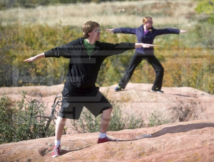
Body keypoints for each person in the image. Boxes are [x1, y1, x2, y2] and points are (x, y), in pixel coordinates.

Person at [24, 21, 156, 157]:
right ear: (89, 32)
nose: (100, 32)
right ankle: (57, 146)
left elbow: (119, 46)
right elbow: (56, 51)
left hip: (89, 89)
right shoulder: (75, 45)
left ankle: (102, 137)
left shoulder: (101, 47)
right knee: (63, 116)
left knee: (107, 109)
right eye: (97, 30)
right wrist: (36, 57)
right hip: (73, 88)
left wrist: (140, 45)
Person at [107, 16, 187, 93]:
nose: (152, 23)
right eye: (150, 22)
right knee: (129, 70)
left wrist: (178, 31)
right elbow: (126, 30)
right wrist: (114, 30)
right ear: (145, 22)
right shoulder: (138, 30)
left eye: (152, 22)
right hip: (139, 53)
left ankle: (155, 88)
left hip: (149, 54)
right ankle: (121, 86)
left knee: (160, 69)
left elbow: (165, 30)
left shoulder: (154, 31)